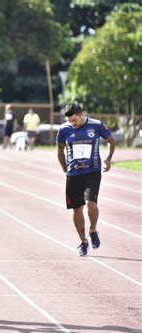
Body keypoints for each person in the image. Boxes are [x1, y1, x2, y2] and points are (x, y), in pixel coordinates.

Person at [56, 101, 116, 257]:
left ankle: (93, 229)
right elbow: (59, 151)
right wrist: (65, 171)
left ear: (81, 114)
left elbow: (111, 140)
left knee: (90, 203)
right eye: (70, 121)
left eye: (74, 120)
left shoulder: (96, 125)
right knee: (77, 209)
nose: (72, 124)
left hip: (93, 171)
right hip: (73, 174)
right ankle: (83, 242)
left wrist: (108, 159)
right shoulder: (64, 129)